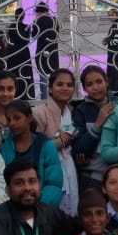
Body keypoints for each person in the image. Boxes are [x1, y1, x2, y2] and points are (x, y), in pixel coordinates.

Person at [31, 68, 80, 216]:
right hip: (47, 172)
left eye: (69, 85)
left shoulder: (73, 111)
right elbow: (35, 148)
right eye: (60, 84)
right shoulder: (39, 113)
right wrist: (60, 141)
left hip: (70, 167)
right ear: (50, 88)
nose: (65, 88)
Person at [0, 99, 62, 208]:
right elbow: (2, 181)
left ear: (29, 118)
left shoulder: (45, 145)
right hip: (12, 208)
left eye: (17, 118)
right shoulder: (5, 147)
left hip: (42, 207)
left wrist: (37, 209)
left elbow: (54, 184)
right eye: (9, 119)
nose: (12, 123)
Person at [71, 64, 116, 190]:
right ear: (84, 88)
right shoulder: (80, 111)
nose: (95, 87)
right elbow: (79, 150)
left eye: (99, 82)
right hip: (92, 176)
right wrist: (97, 124)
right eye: (89, 84)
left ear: (106, 82)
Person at [5, 7, 35, 100]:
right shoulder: (27, 27)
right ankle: (27, 96)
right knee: (25, 74)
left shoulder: (10, 26)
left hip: (13, 51)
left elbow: (7, 40)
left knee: (14, 73)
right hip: (24, 52)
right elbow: (27, 40)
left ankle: (14, 94)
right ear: (24, 16)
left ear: (15, 16)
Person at [33, 2, 59, 100]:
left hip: (41, 51)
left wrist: (35, 22)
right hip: (53, 51)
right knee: (54, 76)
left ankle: (44, 99)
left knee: (43, 77)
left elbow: (34, 35)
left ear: (38, 11)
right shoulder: (54, 20)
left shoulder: (39, 20)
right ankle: (55, 97)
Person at [104, 8, 118, 93]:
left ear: (117, 15)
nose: (110, 17)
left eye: (112, 15)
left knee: (115, 66)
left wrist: (107, 42)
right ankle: (113, 86)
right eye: (109, 15)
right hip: (112, 49)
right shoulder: (115, 25)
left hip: (115, 49)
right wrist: (107, 40)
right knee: (113, 66)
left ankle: (116, 87)